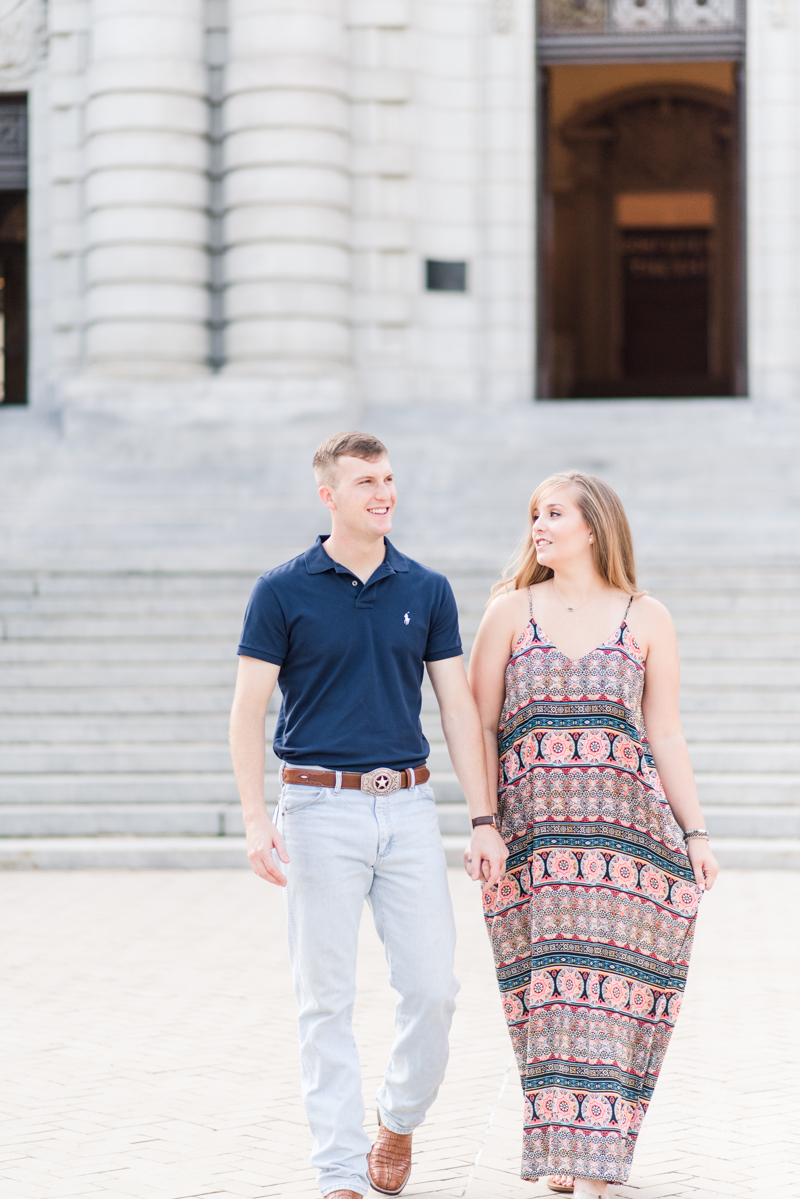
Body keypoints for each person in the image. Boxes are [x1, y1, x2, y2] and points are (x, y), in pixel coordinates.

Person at [229, 431, 507, 1199]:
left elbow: (456, 704)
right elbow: (248, 710)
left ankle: (398, 1116)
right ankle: (340, 1172)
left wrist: (482, 817)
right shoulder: (281, 590)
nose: (383, 493)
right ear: (329, 496)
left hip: (410, 806)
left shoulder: (426, 587)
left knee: (433, 990)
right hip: (317, 808)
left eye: (388, 479)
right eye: (365, 482)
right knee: (324, 998)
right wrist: (258, 819)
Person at [466, 471, 719, 1199]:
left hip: (629, 842)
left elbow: (664, 732)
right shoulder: (510, 612)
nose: (538, 525)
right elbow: (479, 724)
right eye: (534, 514)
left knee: (614, 994)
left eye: (553, 513)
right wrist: (483, 820)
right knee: (545, 996)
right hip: (535, 842)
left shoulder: (647, 617)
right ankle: (563, 1145)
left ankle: (597, 1156)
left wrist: (694, 831)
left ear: (594, 526)